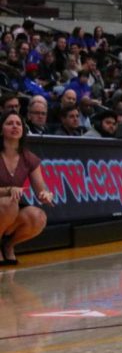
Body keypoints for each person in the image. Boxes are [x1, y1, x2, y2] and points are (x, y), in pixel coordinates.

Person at [0, 111, 54, 265]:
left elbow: (40, 188)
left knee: (38, 217)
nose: (15, 126)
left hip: (11, 207)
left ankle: (8, 245)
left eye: (18, 124)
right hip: (5, 205)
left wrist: (46, 194)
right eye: (9, 123)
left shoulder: (29, 158)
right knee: (9, 203)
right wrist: (8, 190)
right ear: (1, 129)